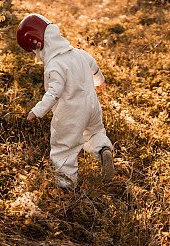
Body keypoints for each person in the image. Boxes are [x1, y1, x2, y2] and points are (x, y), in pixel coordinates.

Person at [17, 13, 114, 191]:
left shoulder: (55, 65)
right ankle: (103, 151)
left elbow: (54, 93)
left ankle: (66, 187)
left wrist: (37, 111)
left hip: (70, 113)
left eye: (34, 51)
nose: (36, 55)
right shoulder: (79, 53)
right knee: (94, 132)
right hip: (92, 107)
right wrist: (99, 82)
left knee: (64, 147)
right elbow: (95, 68)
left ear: (39, 44)